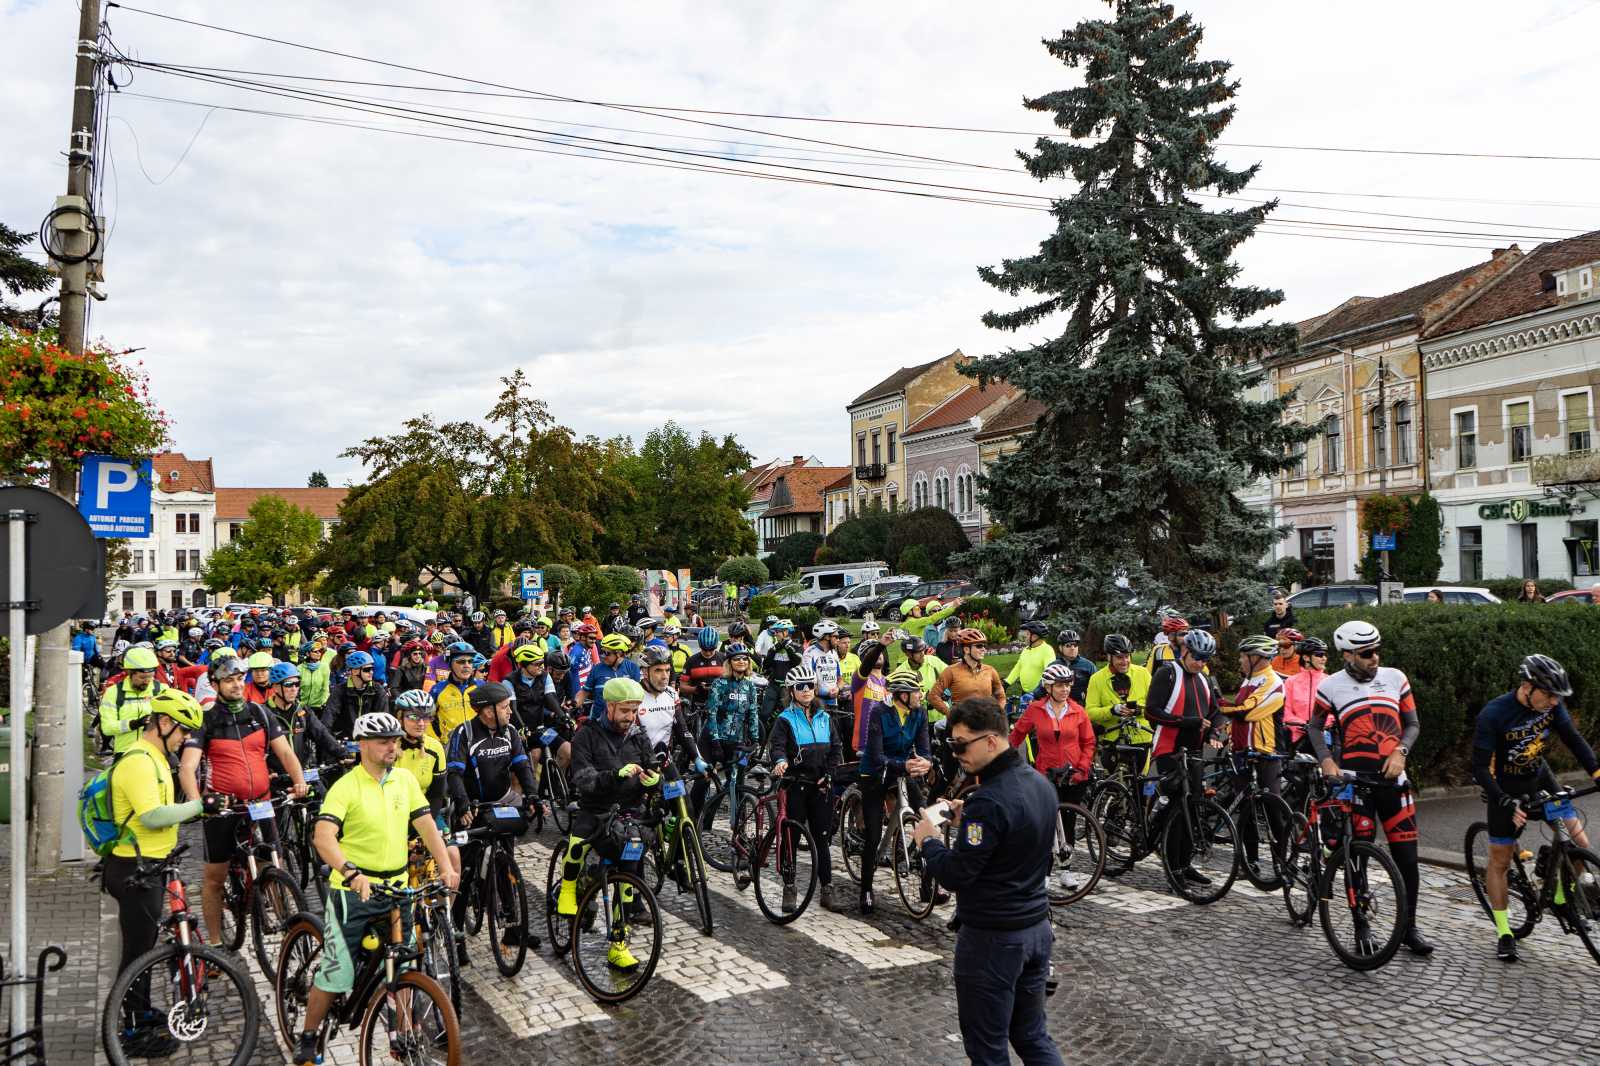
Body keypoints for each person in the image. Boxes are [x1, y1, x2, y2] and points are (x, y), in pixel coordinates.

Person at [293, 711, 459, 1066]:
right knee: (337, 973)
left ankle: (401, 1034)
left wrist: (445, 866)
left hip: (397, 890)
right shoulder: (345, 786)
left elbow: (427, 824)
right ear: (363, 745)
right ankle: (308, 1036)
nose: (393, 747)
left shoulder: (403, 781)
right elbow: (323, 837)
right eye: (385, 741)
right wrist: (351, 873)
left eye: (396, 740)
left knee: (402, 964)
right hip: (353, 892)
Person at [911, 696, 1063, 1066]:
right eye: (950, 745)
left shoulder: (989, 801)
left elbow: (957, 874)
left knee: (987, 1048)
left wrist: (928, 841)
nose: (955, 753)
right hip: (1036, 928)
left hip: (994, 938)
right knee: (1031, 1035)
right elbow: (1016, 839)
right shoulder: (1037, 784)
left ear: (991, 741)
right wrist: (971, 823)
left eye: (961, 744)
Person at [103, 689, 218, 1058]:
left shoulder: (155, 758)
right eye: (183, 731)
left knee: (144, 944)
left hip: (150, 863)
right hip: (134, 868)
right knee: (138, 952)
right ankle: (133, 1030)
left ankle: (140, 1011)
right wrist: (198, 806)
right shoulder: (139, 761)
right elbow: (152, 815)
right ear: (164, 723)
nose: (186, 739)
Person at [1308, 619, 1433, 956]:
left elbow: (1412, 724)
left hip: (1395, 783)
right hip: (1354, 784)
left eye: (1377, 651)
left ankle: (1409, 928)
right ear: (1347, 655)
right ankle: (1360, 924)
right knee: (1356, 859)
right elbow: (1315, 727)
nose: (1374, 658)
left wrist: (1400, 751)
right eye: (1366, 653)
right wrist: (1326, 761)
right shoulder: (1331, 686)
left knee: (1407, 859)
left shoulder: (1396, 678)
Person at [1472, 654, 1600, 961]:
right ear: (1527, 687)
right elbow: (1478, 768)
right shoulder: (1494, 713)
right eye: (1549, 695)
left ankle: (1560, 897)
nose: (1555, 702)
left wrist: (1597, 772)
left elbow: (1573, 739)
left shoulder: (1552, 705)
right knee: (1500, 861)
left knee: (1578, 841)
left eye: (1558, 697)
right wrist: (1503, 799)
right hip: (1505, 788)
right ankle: (1504, 931)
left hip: (1540, 778)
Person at [178, 654, 310, 947]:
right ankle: (214, 944)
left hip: (261, 803)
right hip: (222, 807)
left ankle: (289, 932)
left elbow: (286, 754)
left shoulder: (260, 714)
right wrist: (197, 802)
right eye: (229, 680)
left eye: (240, 679)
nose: (237, 685)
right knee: (214, 878)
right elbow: (187, 767)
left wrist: (300, 781)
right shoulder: (207, 719)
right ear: (215, 684)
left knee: (274, 864)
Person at [558, 676, 656, 971]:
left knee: (628, 878)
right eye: (625, 711)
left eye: (634, 710)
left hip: (629, 815)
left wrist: (654, 780)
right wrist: (614, 776)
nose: (630, 717)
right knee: (579, 840)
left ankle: (618, 944)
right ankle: (567, 887)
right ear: (609, 707)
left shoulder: (639, 735)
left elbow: (651, 764)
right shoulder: (586, 735)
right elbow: (583, 778)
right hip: (597, 809)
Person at [857, 667, 940, 914]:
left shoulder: (920, 713)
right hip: (875, 773)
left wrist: (927, 762)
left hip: (903, 771)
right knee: (873, 835)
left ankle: (929, 886)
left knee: (928, 821)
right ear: (902, 695)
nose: (920, 695)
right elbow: (875, 754)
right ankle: (866, 889)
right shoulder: (879, 712)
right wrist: (901, 764)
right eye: (916, 691)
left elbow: (924, 748)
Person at [1009, 662, 1095, 892]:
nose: (1065, 690)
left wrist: (1083, 767)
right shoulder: (1036, 709)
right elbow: (1017, 735)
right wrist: (1002, 758)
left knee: (1067, 823)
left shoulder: (1077, 710)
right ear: (1048, 687)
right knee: (1046, 823)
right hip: (1045, 774)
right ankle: (1044, 871)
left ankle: (1066, 871)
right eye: (1059, 686)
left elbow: (1088, 742)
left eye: (1067, 685)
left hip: (1073, 774)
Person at [767, 664, 845, 914]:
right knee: (792, 838)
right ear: (791, 691)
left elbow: (836, 750)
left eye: (810, 686)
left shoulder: (825, 717)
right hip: (796, 786)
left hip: (821, 786)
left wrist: (830, 775)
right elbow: (777, 747)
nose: (806, 690)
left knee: (822, 839)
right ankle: (789, 887)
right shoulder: (785, 719)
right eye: (800, 687)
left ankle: (827, 889)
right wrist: (780, 761)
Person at [699, 642, 761, 812]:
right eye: (737, 659)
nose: (741, 661)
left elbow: (753, 714)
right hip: (713, 739)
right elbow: (711, 713)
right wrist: (715, 741)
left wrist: (755, 740)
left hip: (736, 741)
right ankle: (694, 818)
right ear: (729, 662)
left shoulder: (750, 687)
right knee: (702, 780)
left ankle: (738, 824)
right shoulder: (720, 684)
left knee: (738, 783)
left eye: (744, 659)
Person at [1083, 634, 1152, 775]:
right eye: (1119, 657)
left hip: (1141, 739)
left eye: (1127, 656)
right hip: (1112, 740)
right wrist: (1112, 710)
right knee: (1114, 787)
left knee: (1140, 788)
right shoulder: (1097, 679)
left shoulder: (1143, 674)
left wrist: (1138, 710)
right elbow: (1089, 712)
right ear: (1109, 657)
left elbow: (1155, 705)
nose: (1125, 661)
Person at [99, 646, 165, 754]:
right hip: (125, 753)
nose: (147, 681)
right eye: (142, 677)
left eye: (150, 676)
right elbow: (107, 728)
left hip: (155, 752)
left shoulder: (161, 690)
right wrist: (134, 724)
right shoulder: (113, 693)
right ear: (129, 673)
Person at [929, 629, 1006, 720]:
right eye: (979, 646)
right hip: (961, 725)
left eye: (984, 646)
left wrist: (997, 713)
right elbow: (933, 696)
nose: (983, 649)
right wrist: (950, 714)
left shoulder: (990, 670)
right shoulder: (951, 671)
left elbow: (1001, 696)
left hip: (985, 722)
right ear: (966, 649)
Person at [325, 650, 390, 739]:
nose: (371, 672)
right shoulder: (339, 690)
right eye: (367, 669)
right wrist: (329, 740)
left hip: (370, 740)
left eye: (372, 669)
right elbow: (329, 716)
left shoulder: (378, 690)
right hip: (345, 739)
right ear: (355, 671)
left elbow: (383, 719)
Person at [578, 633, 642, 721]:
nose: (603, 656)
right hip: (598, 721)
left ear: (619, 653)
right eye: (602, 652)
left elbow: (637, 699)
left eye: (607, 653)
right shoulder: (597, 668)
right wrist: (574, 704)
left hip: (622, 722)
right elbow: (584, 692)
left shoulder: (632, 668)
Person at [1281, 637, 1329, 753]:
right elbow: (1286, 710)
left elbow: (1334, 711)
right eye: (1319, 654)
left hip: (1324, 736)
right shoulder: (1291, 682)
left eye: (1325, 655)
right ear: (1306, 657)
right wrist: (1302, 725)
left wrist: (1320, 725)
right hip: (1298, 736)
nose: (1324, 658)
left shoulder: (1329, 681)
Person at [427, 642, 479, 742]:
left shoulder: (481, 686)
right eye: (461, 662)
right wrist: (435, 740)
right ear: (450, 664)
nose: (467, 666)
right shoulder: (438, 689)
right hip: (449, 747)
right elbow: (425, 717)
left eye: (470, 661)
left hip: (477, 745)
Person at [1004, 621, 1055, 698]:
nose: (1025, 637)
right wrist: (1007, 683)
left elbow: (1050, 673)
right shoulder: (1026, 649)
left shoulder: (1047, 650)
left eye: (1027, 634)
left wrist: (1040, 690)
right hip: (1025, 692)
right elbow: (1018, 667)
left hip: (1040, 694)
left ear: (1034, 636)